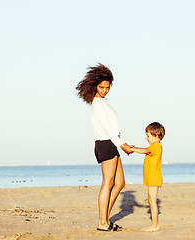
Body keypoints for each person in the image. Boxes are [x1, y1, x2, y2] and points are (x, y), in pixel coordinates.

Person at [76, 63, 133, 232]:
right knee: (107, 184)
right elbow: (107, 129)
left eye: (107, 87)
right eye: (102, 87)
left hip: (112, 142)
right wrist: (122, 145)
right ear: (95, 86)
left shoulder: (104, 102)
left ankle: (104, 218)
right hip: (105, 144)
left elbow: (114, 129)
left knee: (120, 183)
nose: (105, 90)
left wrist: (124, 142)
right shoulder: (97, 103)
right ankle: (103, 222)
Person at [130, 122, 165, 232]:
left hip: (154, 178)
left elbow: (144, 150)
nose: (146, 138)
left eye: (148, 135)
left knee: (152, 201)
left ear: (156, 136)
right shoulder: (154, 147)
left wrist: (132, 149)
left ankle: (155, 225)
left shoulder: (156, 147)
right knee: (150, 200)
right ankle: (154, 224)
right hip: (152, 178)